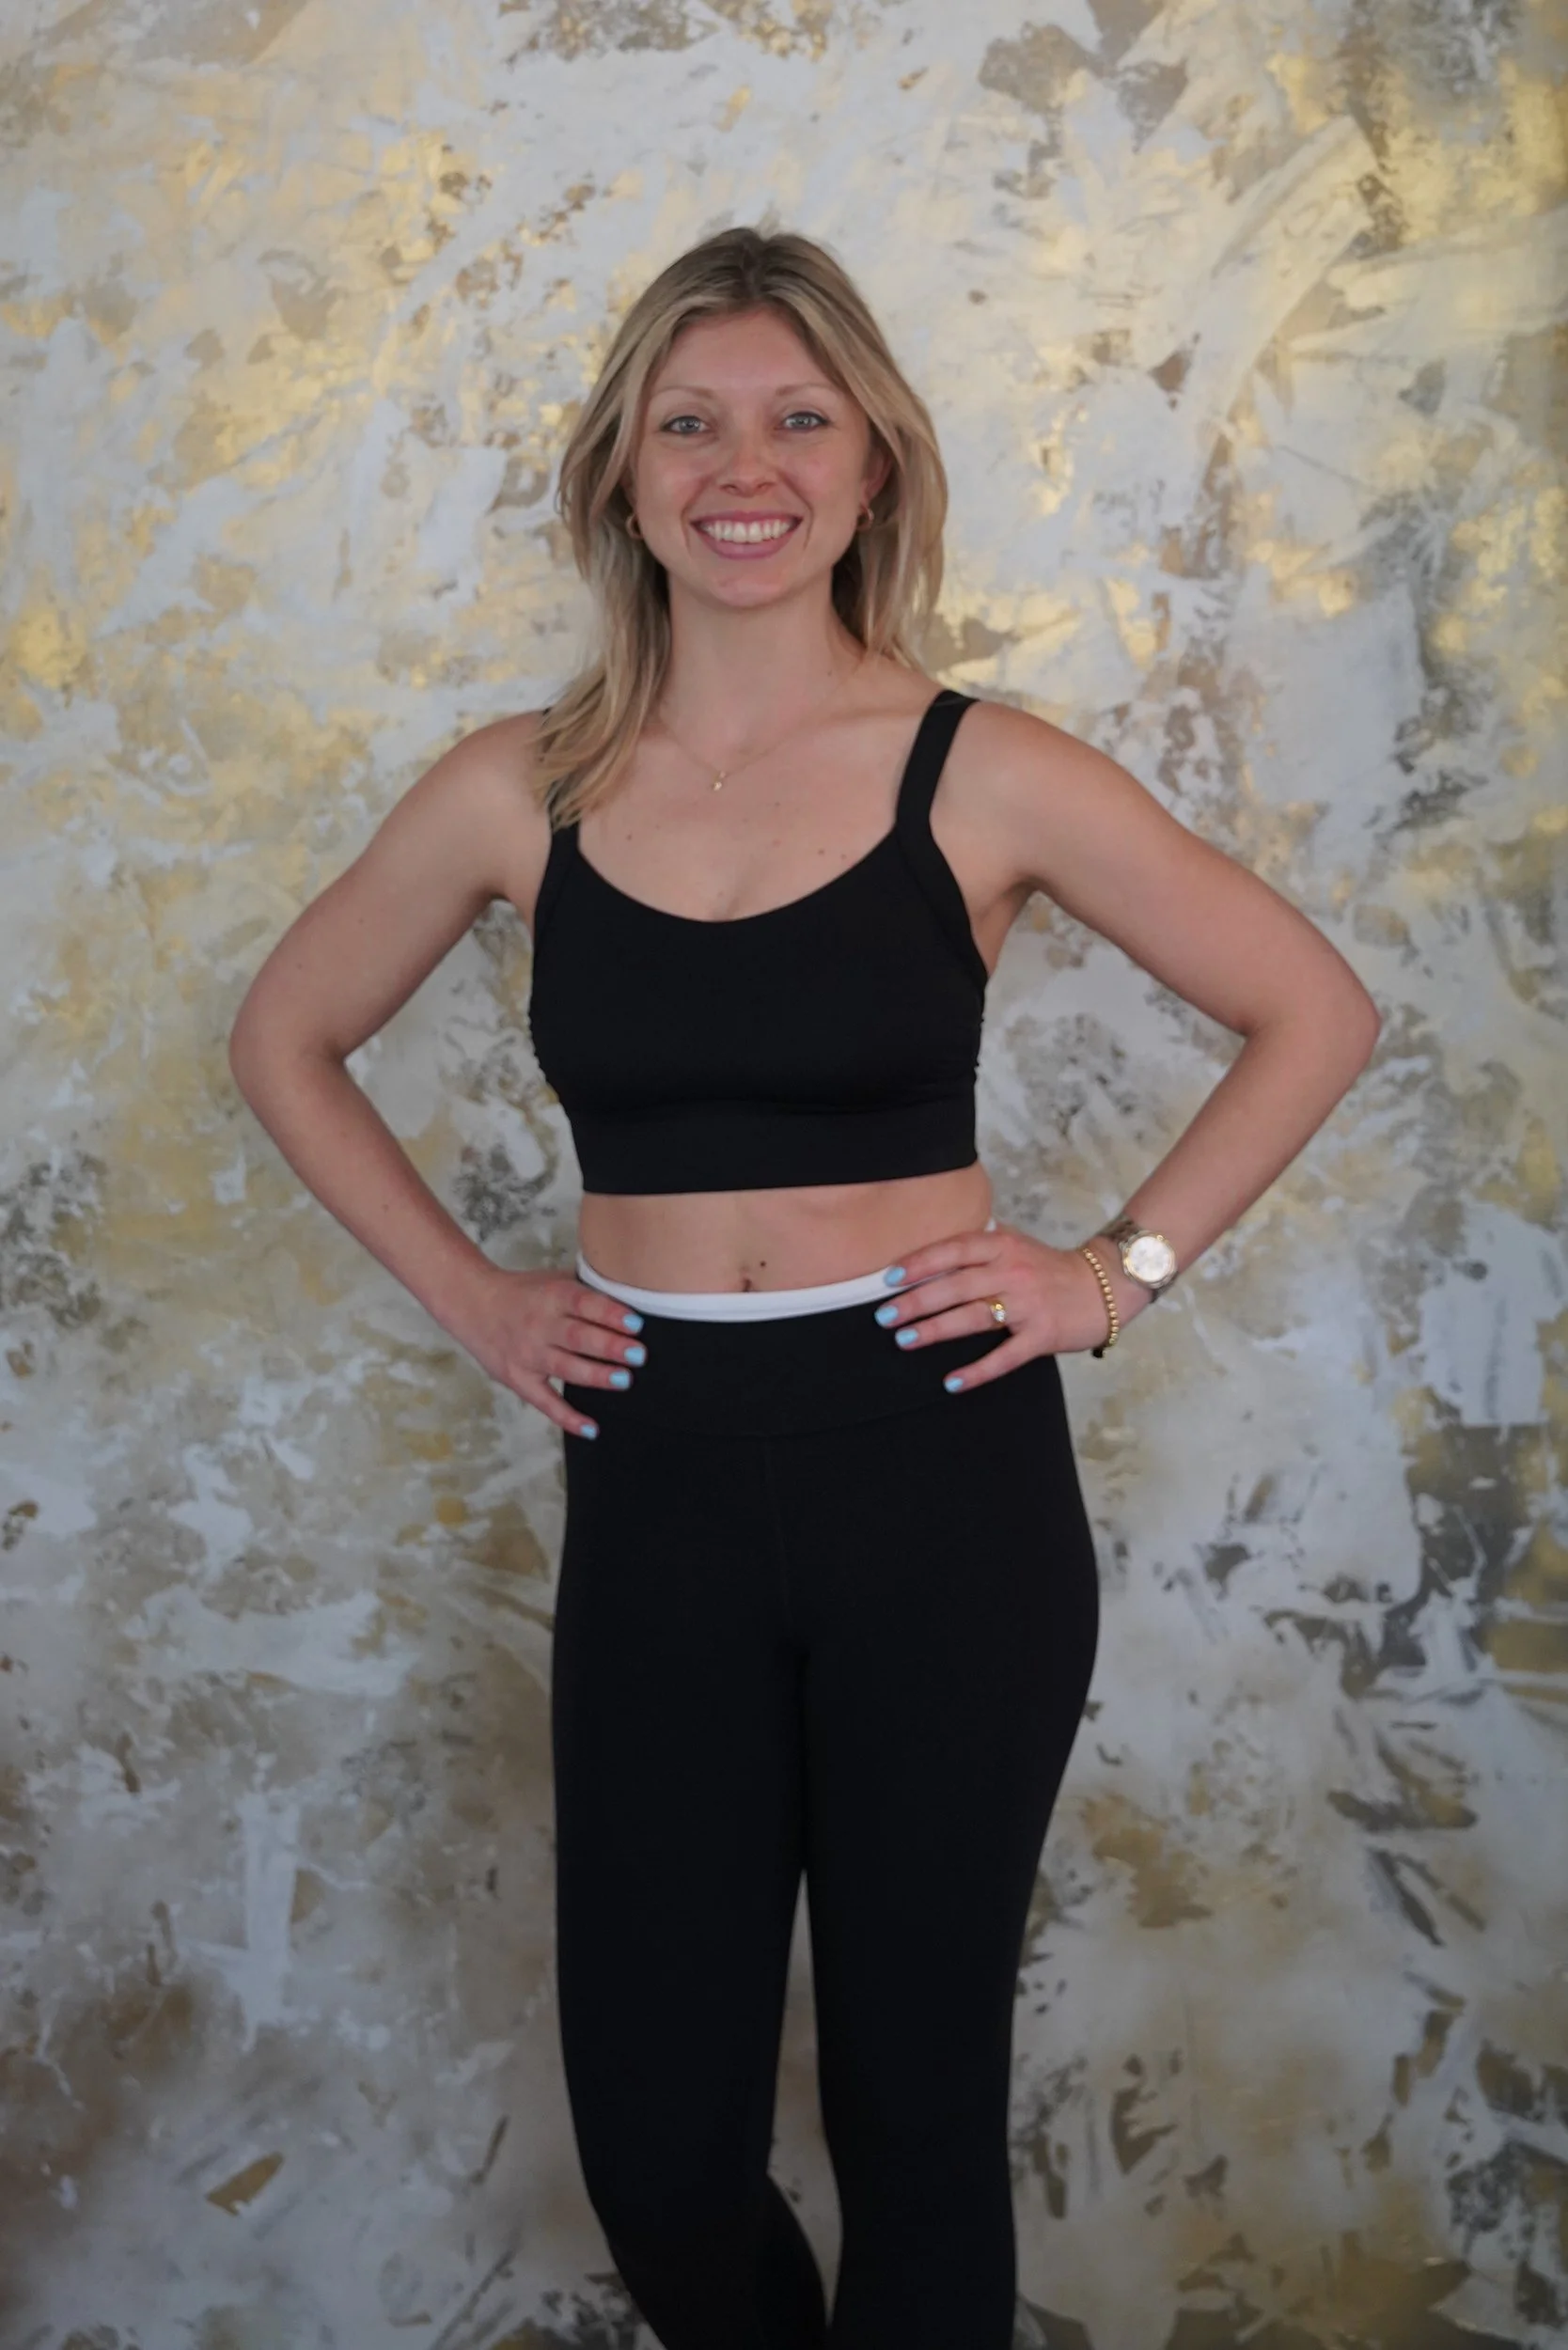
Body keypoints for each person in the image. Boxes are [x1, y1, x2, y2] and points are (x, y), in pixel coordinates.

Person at [228, 225, 1381, 2349]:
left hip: (939, 1474)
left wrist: (1107, 1272)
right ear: (623, 472)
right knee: (664, 2144)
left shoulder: (986, 766)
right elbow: (282, 1034)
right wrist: (482, 1298)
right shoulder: (526, 784)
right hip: (659, 1471)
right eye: (690, 421)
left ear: (870, 469)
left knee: (915, 2117)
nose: (739, 464)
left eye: (794, 418)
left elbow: (1312, 1005)